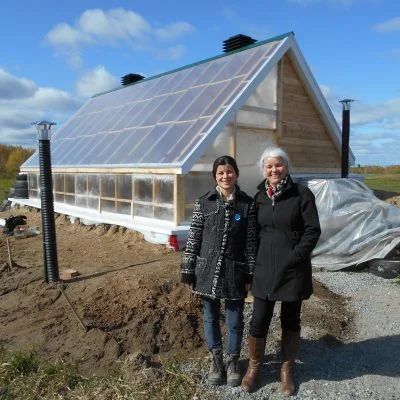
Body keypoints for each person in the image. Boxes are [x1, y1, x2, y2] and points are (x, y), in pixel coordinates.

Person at [241, 147, 321, 396]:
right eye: (269, 166)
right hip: (265, 269)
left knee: (290, 319)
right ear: (263, 170)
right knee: (258, 321)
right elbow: (253, 234)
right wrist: (250, 266)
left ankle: (286, 370)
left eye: (279, 165)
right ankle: (254, 368)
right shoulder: (259, 198)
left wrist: (296, 255)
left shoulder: (301, 194)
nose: (274, 170)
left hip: (293, 270)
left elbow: (312, 230)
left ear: (287, 167)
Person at [181, 155, 258, 387]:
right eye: (221, 173)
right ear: (215, 176)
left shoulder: (247, 204)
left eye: (229, 172)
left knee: (235, 319)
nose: (226, 176)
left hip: (235, 270)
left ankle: (233, 361)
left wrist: (250, 273)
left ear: (236, 174)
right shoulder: (204, 202)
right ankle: (216, 360)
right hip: (206, 269)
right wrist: (188, 269)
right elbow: (194, 238)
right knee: (210, 317)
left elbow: (251, 243)